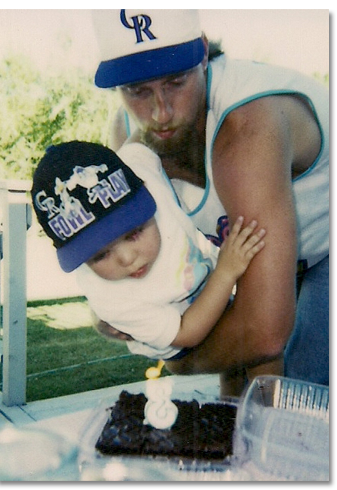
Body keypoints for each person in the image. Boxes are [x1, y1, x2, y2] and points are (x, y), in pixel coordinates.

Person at [91, 9, 329, 391]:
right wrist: (115, 307)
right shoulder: (127, 138)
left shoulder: (247, 122)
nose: (160, 111)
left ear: (202, 52)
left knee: (303, 398)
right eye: (138, 91)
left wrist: (176, 355)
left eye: (175, 81)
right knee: (236, 409)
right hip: (271, 256)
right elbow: (130, 251)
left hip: (327, 251)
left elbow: (263, 334)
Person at [31, 141, 265, 362]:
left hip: (200, 282)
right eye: (100, 255)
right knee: (260, 343)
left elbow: (138, 142)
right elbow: (186, 334)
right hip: (178, 339)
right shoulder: (111, 301)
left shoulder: (141, 169)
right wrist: (225, 272)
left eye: (133, 234)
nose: (127, 258)